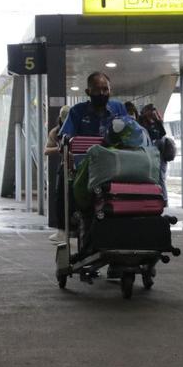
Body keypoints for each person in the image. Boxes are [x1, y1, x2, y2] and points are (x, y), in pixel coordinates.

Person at [51, 72, 130, 244]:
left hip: (114, 165)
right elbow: (64, 136)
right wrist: (66, 145)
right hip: (85, 167)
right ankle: (66, 226)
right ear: (88, 92)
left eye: (105, 89)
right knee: (64, 177)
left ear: (110, 90)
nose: (102, 93)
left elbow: (130, 132)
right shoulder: (77, 112)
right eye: (97, 90)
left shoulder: (118, 109)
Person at [44, 104, 70, 243]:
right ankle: (62, 230)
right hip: (65, 166)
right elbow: (46, 150)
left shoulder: (78, 126)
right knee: (60, 199)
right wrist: (59, 148)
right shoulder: (55, 132)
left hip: (80, 165)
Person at [139, 103, 175, 203]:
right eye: (151, 111)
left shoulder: (156, 122)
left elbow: (162, 134)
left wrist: (158, 121)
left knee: (160, 177)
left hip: (160, 155)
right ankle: (157, 198)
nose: (153, 113)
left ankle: (164, 199)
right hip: (151, 155)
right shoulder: (143, 123)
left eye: (153, 111)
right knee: (155, 177)